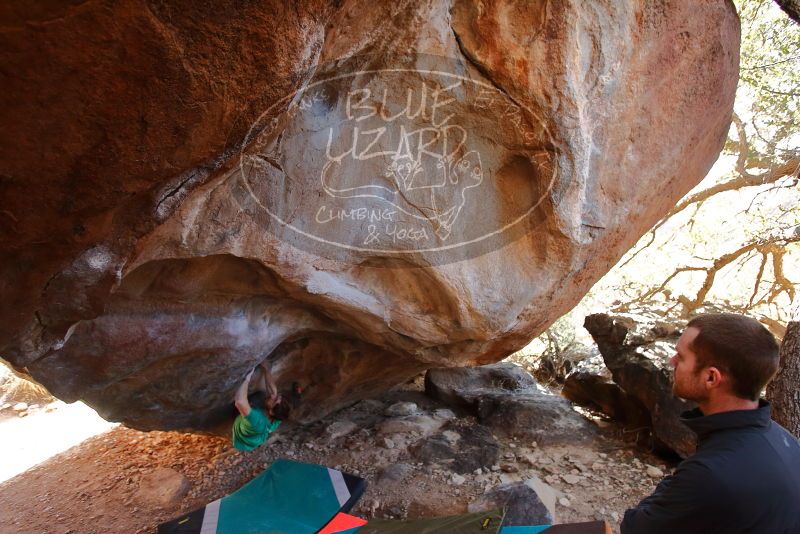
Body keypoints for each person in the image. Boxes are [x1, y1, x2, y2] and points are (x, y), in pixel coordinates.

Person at [621, 313, 800, 533]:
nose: (672, 361)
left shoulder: (709, 474)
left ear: (711, 378)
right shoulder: (786, 441)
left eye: (681, 356)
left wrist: (677, 483)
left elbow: (635, 527)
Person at [231, 362, 291, 452]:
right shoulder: (278, 416)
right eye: (277, 398)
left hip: (243, 439)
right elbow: (273, 392)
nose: (272, 396)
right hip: (257, 431)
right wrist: (266, 369)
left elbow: (240, 402)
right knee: (262, 396)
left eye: (274, 401)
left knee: (250, 400)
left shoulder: (257, 420)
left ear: (271, 412)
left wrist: (247, 378)